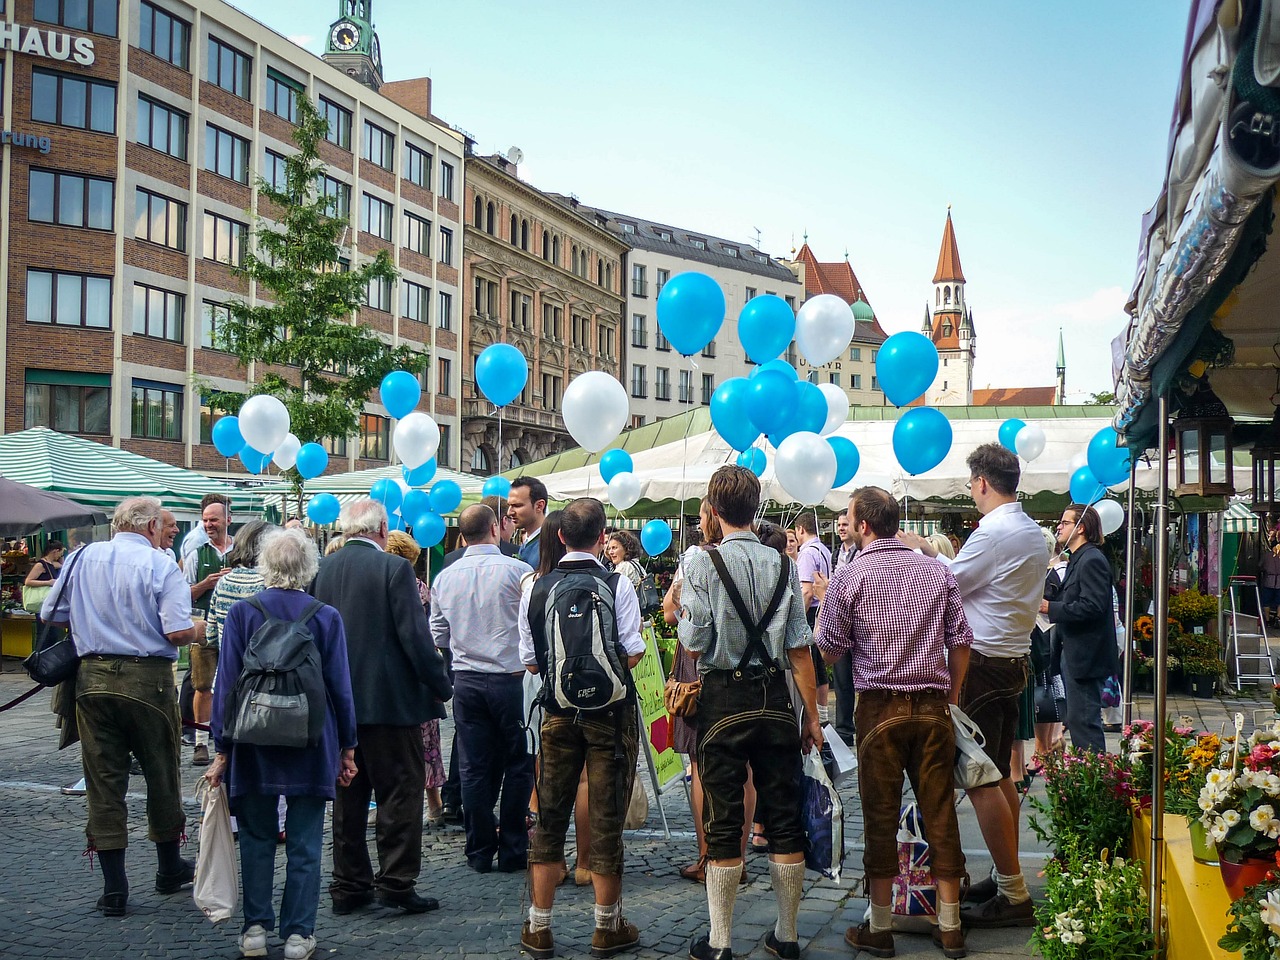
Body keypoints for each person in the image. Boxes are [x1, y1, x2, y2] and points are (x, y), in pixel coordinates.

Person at [818, 487, 972, 959]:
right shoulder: (934, 569)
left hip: (878, 708)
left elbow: (826, 647)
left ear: (863, 525)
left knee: (880, 816)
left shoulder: (851, 575)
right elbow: (962, 640)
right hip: (931, 706)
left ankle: (880, 928)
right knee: (941, 810)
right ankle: (950, 925)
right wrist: (951, 695)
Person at [899, 443, 1047, 929]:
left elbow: (950, 584)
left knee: (981, 778)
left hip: (983, 663)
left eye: (970, 484)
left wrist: (920, 554)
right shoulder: (1031, 530)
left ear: (982, 482)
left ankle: (1012, 889)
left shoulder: (995, 531)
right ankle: (1008, 880)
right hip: (1013, 658)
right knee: (1000, 774)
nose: (971, 491)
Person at [678, 466, 822, 960]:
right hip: (776, 699)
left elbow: (694, 643)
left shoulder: (701, 563)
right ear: (755, 508)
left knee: (723, 817)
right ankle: (787, 936)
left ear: (714, 512)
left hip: (723, 700)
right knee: (783, 817)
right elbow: (801, 650)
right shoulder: (784, 563)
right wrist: (815, 719)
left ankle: (719, 942)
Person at [205, 529, 358, 960]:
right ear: (309, 568)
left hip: (252, 740)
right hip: (310, 740)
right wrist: (347, 746)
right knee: (306, 842)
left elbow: (227, 686)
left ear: (264, 566)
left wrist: (221, 747)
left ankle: (254, 929)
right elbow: (340, 688)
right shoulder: (325, 616)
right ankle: (297, 935)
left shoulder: (241, 614)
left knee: (255, 838)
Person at [41, 496, 198, 916]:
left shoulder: (81, 557)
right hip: (147, 681)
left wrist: (96, 619)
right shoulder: (161, 564)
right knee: (161, 772)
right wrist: (201, 628)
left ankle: (115, 887)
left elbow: (49, 612)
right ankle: (168, 867)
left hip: (91, 680)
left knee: (103, 780)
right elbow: (178, 632)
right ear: (149, 528)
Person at [311, 499, 452, 915]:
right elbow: (415, 637)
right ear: (382, 528)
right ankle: (395, 881)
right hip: (391, 705)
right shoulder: (394, 569)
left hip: (340, 703)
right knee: (400, 794)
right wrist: (441, 684)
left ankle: (349, 885)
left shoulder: (323, 569)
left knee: (348, 798)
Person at [519, 498, 646, 959]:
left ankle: (538, 927)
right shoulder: (617, 584)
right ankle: (606, 926)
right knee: (607, 817)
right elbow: (632, 653)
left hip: (556, 713)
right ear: (601, 537)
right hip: (610, 717)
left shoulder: (535, 585)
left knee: (549, 817)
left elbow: (530, 662)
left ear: (559, 536)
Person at [430, 504, 534, 873]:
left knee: (474, 767)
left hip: (468, 680)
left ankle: (479, 850)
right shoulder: (518, 571)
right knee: (520, 764)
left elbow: (438, 633)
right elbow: (531, 625)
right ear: (494, 529)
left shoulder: (446, 576)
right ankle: (512, 849)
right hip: (511, 679)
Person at [1041, 504, 1118, 754]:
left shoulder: (1092, 559)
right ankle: (1088, 775)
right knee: (1076, 720)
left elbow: (1093, 606)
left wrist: (1051, 608)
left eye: (1065, 522)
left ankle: (1096, 780)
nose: (1059, 527)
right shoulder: (1078, 558)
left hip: (1086, 656)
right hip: (1073, 653)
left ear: (1081, 527)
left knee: (1084, 721)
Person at [386, 530, 447, 827]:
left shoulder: (395, 586)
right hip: (420, 676)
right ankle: (434, 803)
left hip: (400, 676)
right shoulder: (422, 588)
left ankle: (395, 803)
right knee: (427, 744)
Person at [187, 493, 235, 767]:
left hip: (233, 629)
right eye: (205, 520)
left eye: (213, 519)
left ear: (228, 520)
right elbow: (183, 594)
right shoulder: (196, 553)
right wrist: (204, 584)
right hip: (204, 628)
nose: (208, 524)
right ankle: (201, 742)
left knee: (231, 685)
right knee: (203, 685)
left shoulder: (240, 551)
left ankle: (227, 737)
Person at [829, 511, 858, 746]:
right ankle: (844, 728)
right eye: (838, 525)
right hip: (841, 621)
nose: (841, 528)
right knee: (841, 679)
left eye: (845, 524)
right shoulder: (836, 554)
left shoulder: (860, 552)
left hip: (857, 623)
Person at [443, 495, 519, 566]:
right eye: (512, 519)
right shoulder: (517, 553)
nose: (514, 527)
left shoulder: (451, 558)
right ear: (505, 522)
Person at [509, 476, 549, 568]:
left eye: (517, 505)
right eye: (510, 506)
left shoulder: (550, 545)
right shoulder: (528, 541)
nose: (510, 512)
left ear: (539, 506)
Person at [1261, 542, 1280, 627]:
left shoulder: (1266, 555)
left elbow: (1260, 566)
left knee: (1266, 602)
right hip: (1278, 582)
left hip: (1269, 581)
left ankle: (1268, 621)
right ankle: (1278, 618)